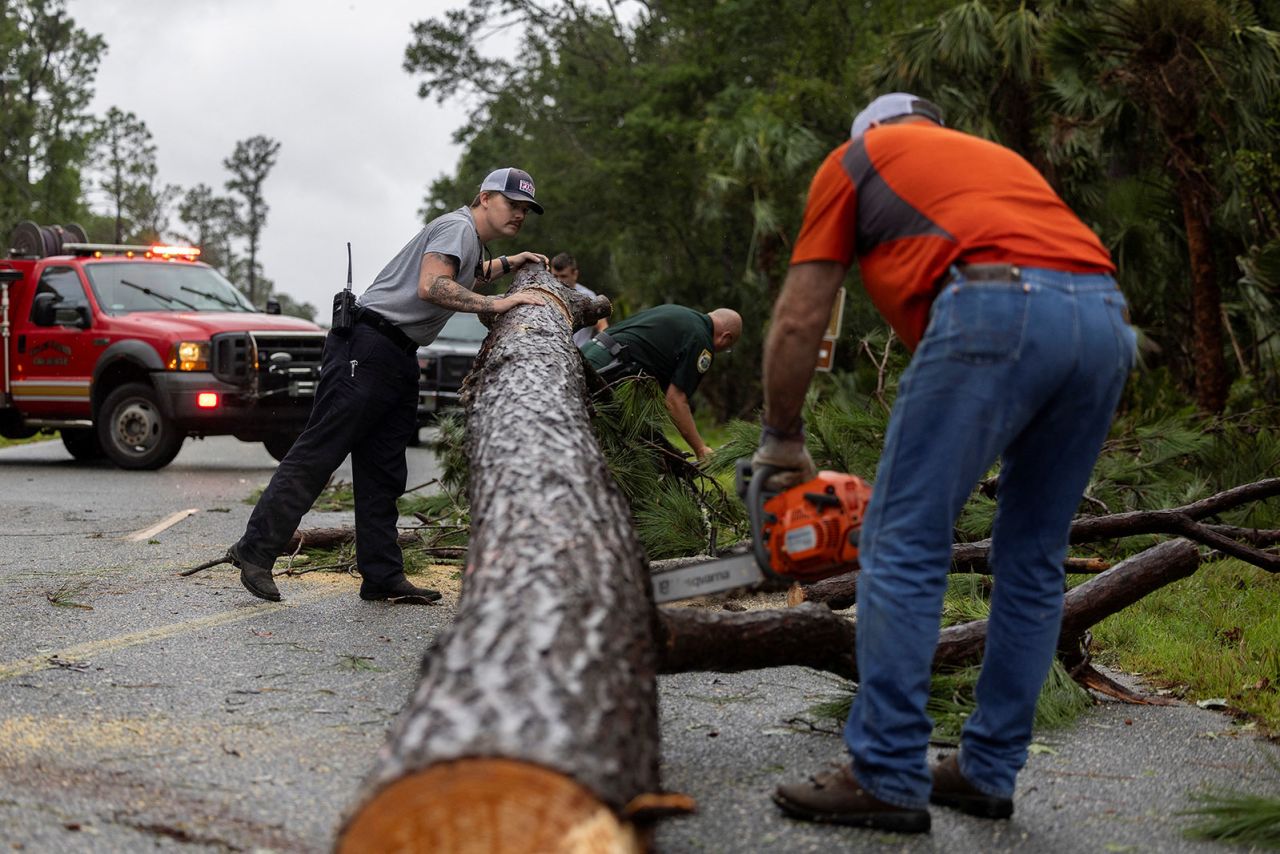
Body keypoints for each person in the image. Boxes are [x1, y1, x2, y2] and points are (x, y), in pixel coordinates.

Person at [760, 94, 1136, 833]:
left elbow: (802, 315)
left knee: (903, 541)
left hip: (994, 302)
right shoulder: (995, 161)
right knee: (1032, 559)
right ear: (930, 126)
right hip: (1105, 321)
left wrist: (780, 438)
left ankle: (887, 773)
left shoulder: (854, 160)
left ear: (868, 130)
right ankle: (988, 771)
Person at [225, 167, 550, 605]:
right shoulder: (457, 227)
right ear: (486, 198)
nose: (519, 215)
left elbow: (465, 276)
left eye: (526, 210)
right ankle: (254, 551)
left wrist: (514, 262)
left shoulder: (468, 240)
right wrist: (499, 301)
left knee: (384, 469)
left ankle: (381, 575)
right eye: (513, 205)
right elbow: (433, 285)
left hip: (396, 355)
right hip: (369, 346)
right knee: (320, 452)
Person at [580, 304, 741, 461]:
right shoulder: (701, 340)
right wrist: (700, 449)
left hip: (590, 351)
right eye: (728, 347)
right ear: (726, 337)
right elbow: (675, 400)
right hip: (608, 366)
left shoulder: (680, 312)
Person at [550, 252, 609, 347]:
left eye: (563, 276)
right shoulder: (545, 294)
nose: (558, 281)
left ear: (575, 274)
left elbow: (602, 326)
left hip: (581, 354)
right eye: (555, 276)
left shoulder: (588, 296)